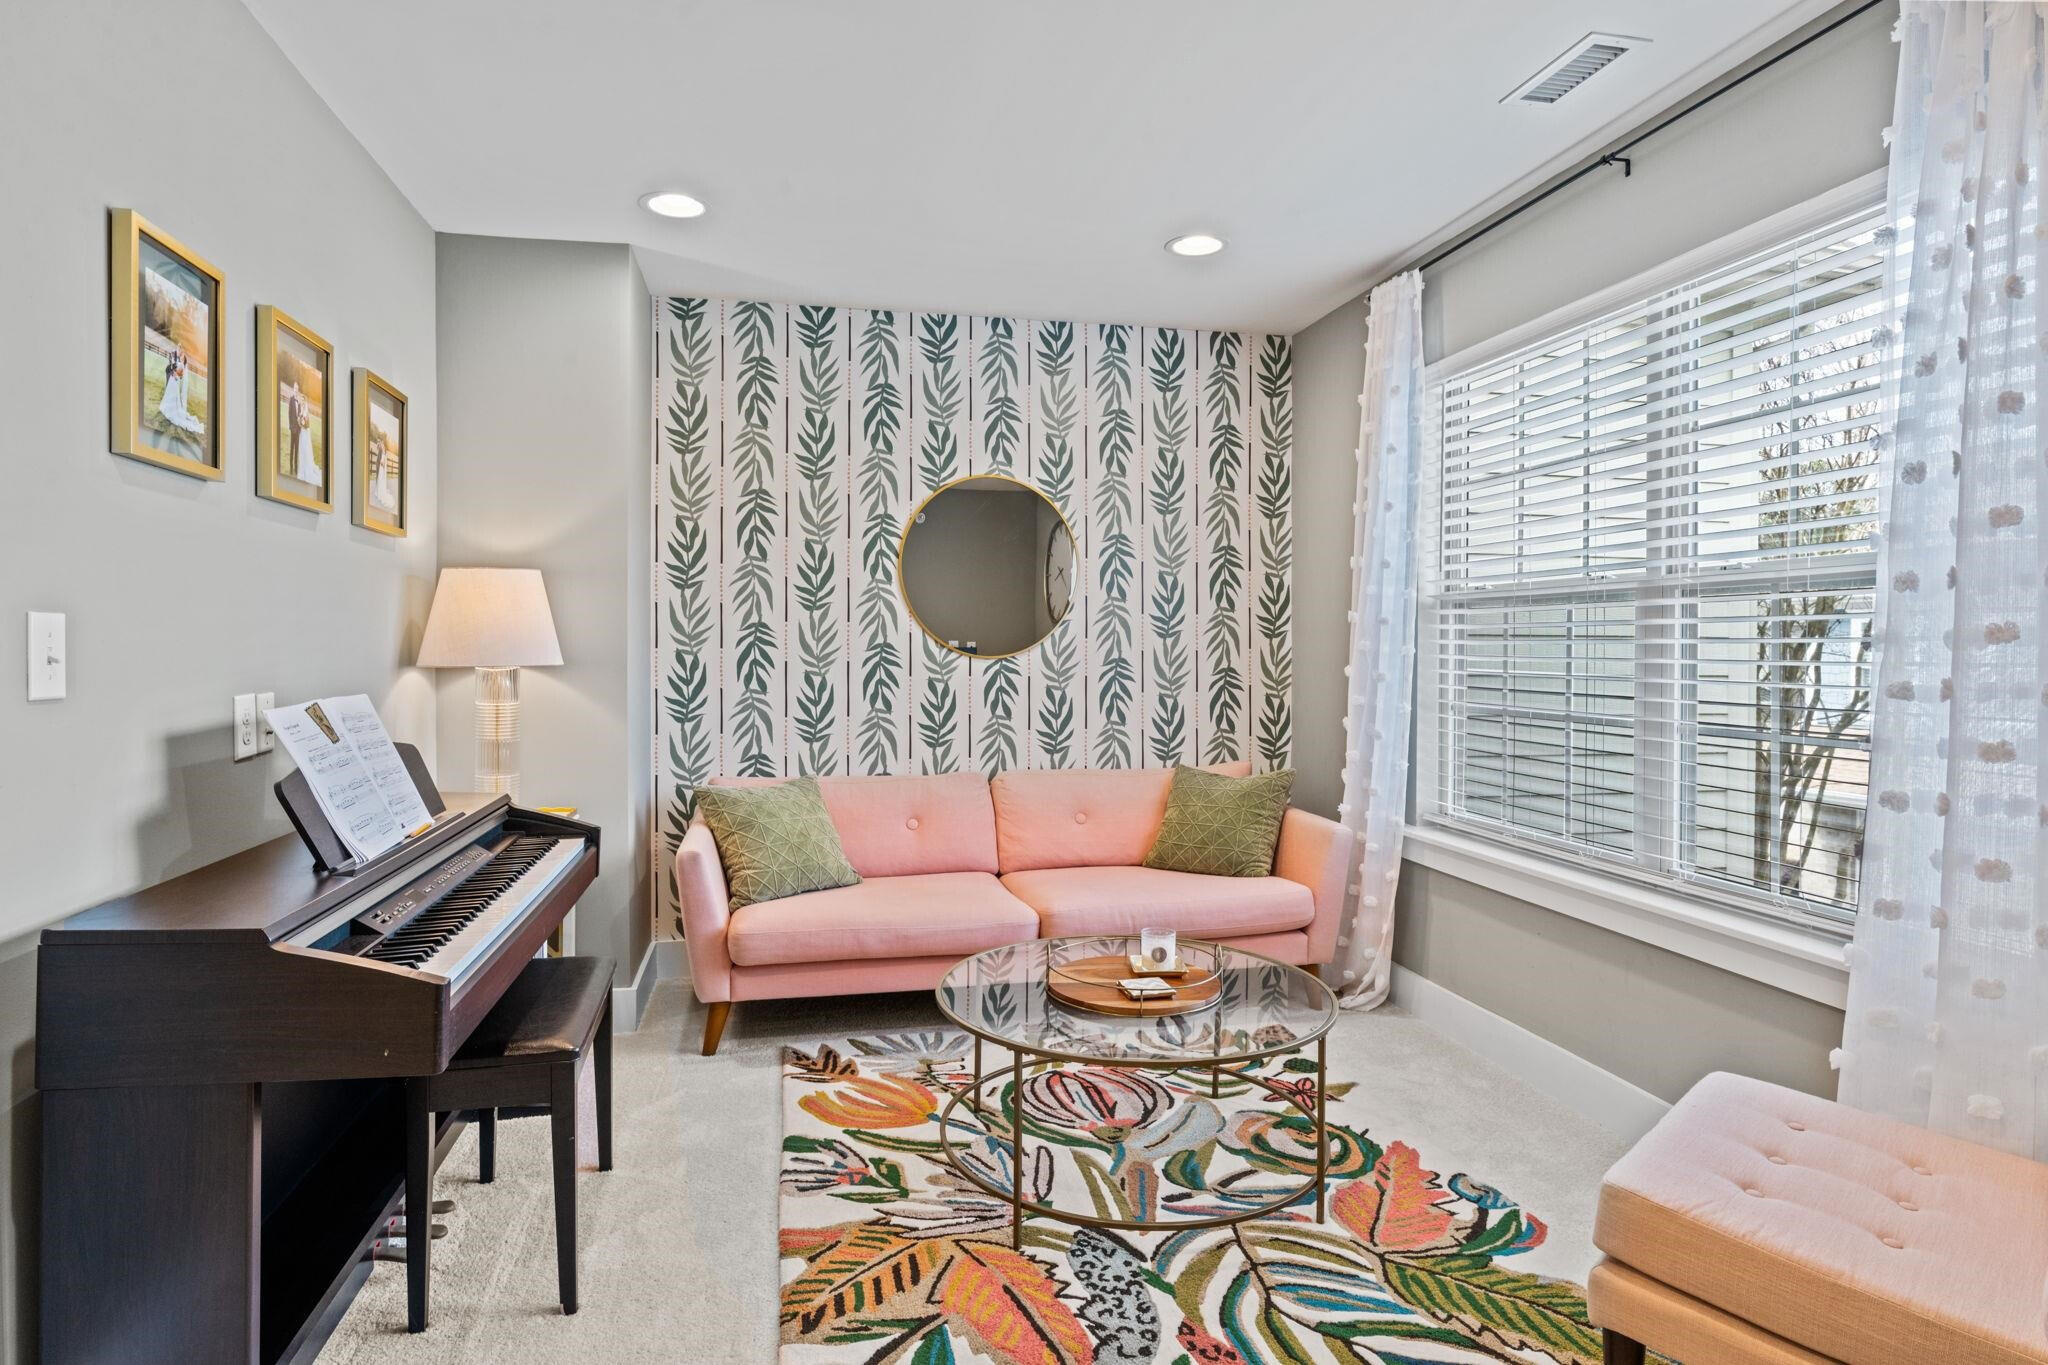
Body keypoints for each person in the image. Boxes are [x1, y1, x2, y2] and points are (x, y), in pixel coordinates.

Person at [156, 347, 204, 435]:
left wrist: (176, 374)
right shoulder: (177, 360)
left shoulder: (181, 364)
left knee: (173, 396)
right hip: (173, 379)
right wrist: (174, 371)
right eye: (180, 353)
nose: (181, 354)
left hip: (175, 380)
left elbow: (181, 374)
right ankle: (170, 405)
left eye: (182, 354)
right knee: (170, 395)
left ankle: (172, 408)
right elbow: (173, 364)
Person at [289, 388, 319, 484]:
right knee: (301, 449)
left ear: (304, 401)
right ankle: (298, 466)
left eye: (302, 399)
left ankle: (306, 467)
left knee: (305, 449)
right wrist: (299, 422)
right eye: (300, 399)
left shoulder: (305, 409)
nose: (301, 400)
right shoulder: (301, 407)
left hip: (304, 432)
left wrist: (301, 422)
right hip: (300, 432)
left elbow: (305, 421)